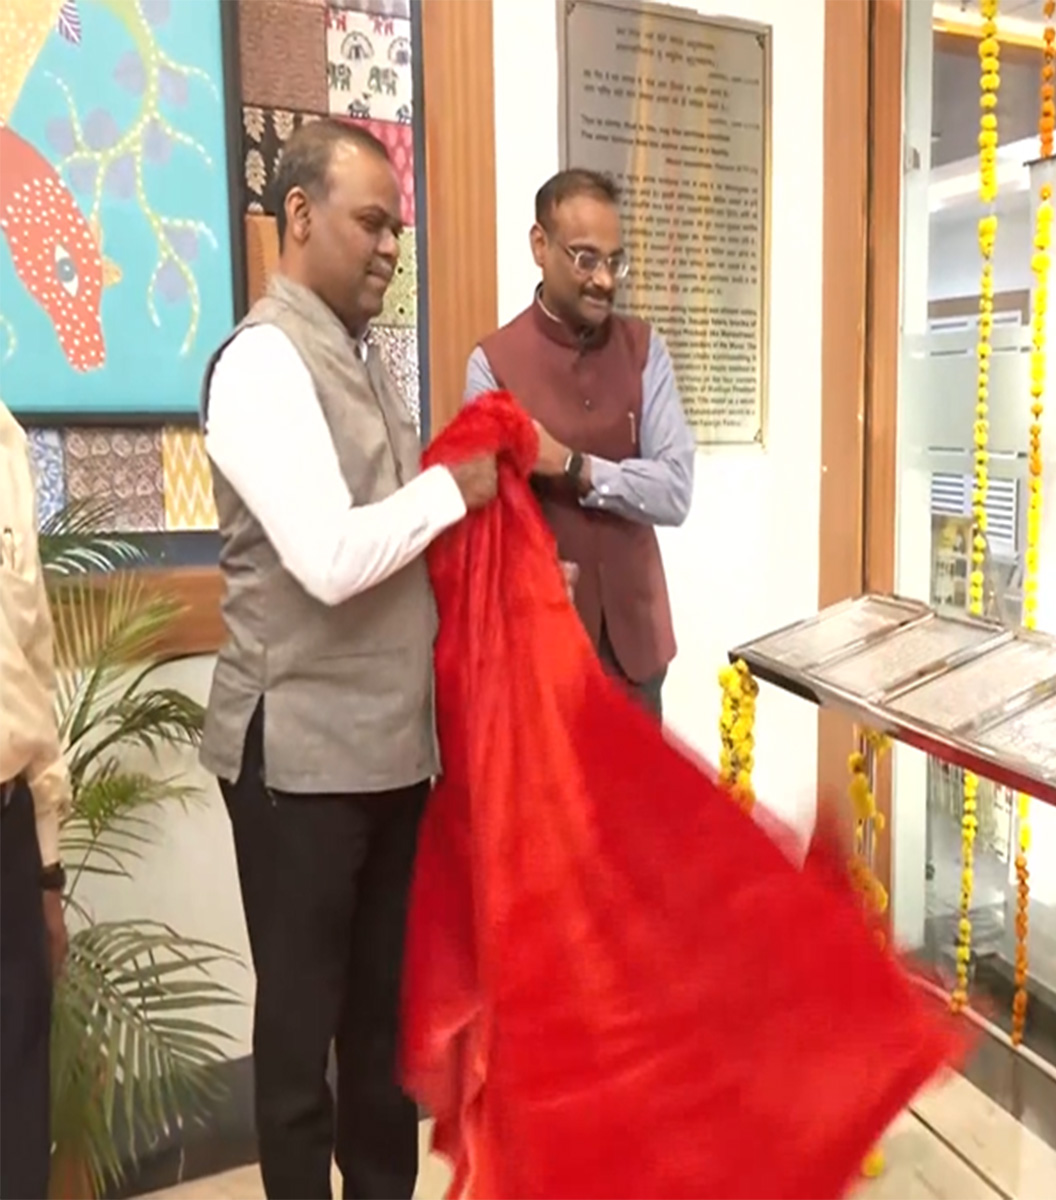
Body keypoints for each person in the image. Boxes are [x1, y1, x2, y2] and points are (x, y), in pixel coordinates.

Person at [199, 120, 497, 1200]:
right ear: (298, 216)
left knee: (381, 1033)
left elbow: (395, 542)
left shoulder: (363, 357)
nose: (389, 248)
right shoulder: (261, 362)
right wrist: (452, 490)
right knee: (301, 1040)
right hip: (299, 764)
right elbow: (329, 558)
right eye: (371, 222)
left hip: (388, 754)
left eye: (397, 229)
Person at [465, 168, 695, 723]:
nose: (605, 281)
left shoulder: (645, 350)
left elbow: (674, 491)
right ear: (539, 246)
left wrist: (573, 466)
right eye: (586, 259)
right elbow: (481, 517)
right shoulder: (492, 365)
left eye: (615, 261)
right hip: (541, 653)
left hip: (638, 652)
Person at [0, 400, 70, 1200]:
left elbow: (31, 657)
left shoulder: (5, 441)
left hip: (8, 825)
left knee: (17, 1113)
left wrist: (48, 870)